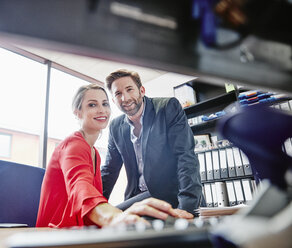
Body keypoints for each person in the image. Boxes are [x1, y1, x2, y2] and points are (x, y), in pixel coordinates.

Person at [36, 84, 193, 228]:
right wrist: (112, 217)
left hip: (80, 229)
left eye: (105, 104)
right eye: (92, 105)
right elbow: (80, 187)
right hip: (55, 233)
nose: (102, 110)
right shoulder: (73, 145)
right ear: (77, 112)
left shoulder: (94, 152)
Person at [101, 69, 202, 215]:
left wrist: (187, 209)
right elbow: (109, 170)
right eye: (118, 94)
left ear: (142, 90)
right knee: (107, 219)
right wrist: (95, 207)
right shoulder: (115, 126)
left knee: (116, 217)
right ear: (113, 100)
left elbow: (185, 157)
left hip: (172, 196)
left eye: (130, 89)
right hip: (139, 197)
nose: (125, 98)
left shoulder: (167, 108)